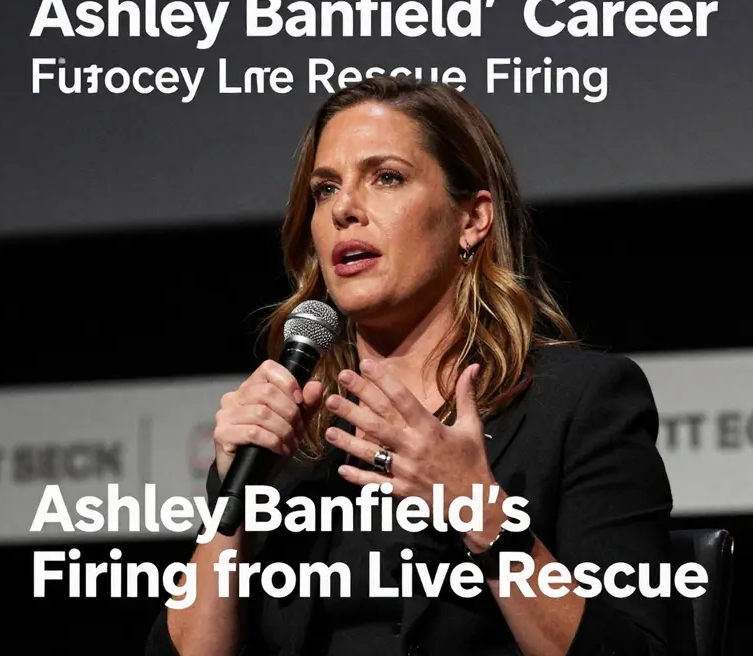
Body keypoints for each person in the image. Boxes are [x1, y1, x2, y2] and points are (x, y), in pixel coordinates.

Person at [146, 76, 673, 656]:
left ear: (471, 220)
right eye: (324, 190)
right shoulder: (292, 440)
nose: (345, 209)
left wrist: (479, 509)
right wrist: (233, 508)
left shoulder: (578, 405)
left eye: (387, 178)